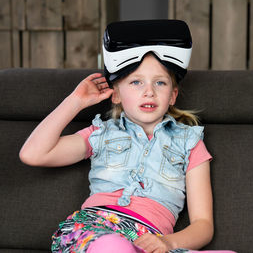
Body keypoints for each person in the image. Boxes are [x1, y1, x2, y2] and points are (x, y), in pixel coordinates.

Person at [19, 20, 234, 253]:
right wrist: (75, 101)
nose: (148, 91)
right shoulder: (101, 133)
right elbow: (33, 154)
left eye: (159, 82)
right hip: (96, 231)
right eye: (136, 82)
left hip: (152, 243)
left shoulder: (190, 142)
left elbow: (203, 225)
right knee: (115, 247)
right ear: (116, 94)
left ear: (172, 95)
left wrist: (168, 242)